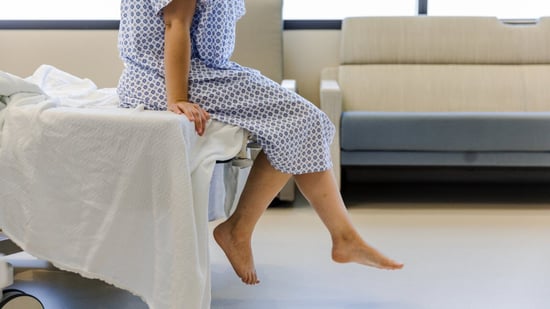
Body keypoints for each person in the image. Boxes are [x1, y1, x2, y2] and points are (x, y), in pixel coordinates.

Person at [117, 0, 404, 285]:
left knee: (304, 125)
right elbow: (175, 22)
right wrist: (178, 98)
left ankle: (338, 237)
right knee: (305, 121)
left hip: (199, 72)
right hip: (166, 78)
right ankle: (248, 231)